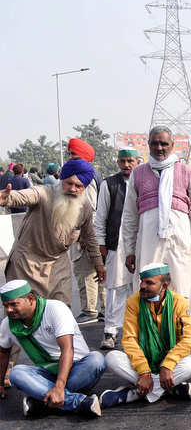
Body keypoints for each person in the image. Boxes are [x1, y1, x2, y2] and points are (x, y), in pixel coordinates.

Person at [122, 126, 191, 358]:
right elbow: (129, 217)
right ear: (148, 145)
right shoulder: (138, 174)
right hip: (148, 244)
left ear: (173, 146)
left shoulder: (186, 172)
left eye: (164, 144)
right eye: (155, 144)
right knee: (147, 293)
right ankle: (150, 352)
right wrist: (129, 250)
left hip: (180, 246)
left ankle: (188, 351)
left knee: (182, 294)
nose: (159, 148)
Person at [0, 159, 105, 305]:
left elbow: (90, 237)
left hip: (57, 263)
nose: (73, 189)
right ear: (61, 178)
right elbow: (24, 195)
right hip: (27, 263)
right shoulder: (44, 192)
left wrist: (99, 264)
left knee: (61, 310)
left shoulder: (84, 206)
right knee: (26, 314)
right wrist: (6, 198)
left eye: (79, 186)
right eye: (69, 183)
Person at [0, 280, 105, 417]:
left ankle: (42, 403)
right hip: (47, 373)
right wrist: (0, 383)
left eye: (14, 304)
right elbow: (3, 351)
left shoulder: (55, 309)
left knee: (97, 360)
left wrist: (59, 387)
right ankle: (79, 402)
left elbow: (67, 349)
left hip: (76, 368)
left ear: (30, 298)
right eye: (6, 306)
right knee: (16, 373)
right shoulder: (8, 325)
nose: (9, 310)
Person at [100, 263, 191, 408]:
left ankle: (133, 394)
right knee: (112, 358)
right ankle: (168, 388)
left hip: (169, 362)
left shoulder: (179, 303)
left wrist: (168, 365)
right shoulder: (133, 302)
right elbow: (129, 339)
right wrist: (144, 372)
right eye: (142, 281)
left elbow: (189, 338)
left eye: (149, 283)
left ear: (164, 286)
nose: (142, 286)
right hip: (142, 362)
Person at [94, 148, 139, 350]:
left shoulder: (145, 182)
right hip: (117, 245)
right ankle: (111, 332)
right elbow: (101, 216)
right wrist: (101, 244)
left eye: (130, 161)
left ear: (137, 161)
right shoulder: (109, 184)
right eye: (123, 161)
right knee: (116, 289)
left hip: (141, 242)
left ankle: (138, 333)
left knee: (140, 289)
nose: (127, 165)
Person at [66, 138, 106, 325]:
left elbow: (90, 207)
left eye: (74, 154)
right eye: (70, 154)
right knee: (97, 271)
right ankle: (104, 309)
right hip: (92, 231)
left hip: (86, 233)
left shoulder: (85, 176)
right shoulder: (91, 173)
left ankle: (89, 310)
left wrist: (84, 234)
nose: (70, 158)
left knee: (85, 271)